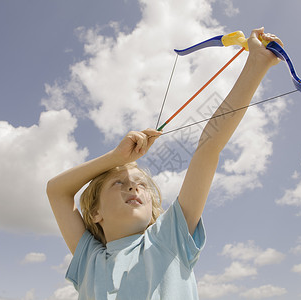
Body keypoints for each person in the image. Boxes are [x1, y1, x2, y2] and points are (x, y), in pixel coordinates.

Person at [46, 27, 283, 300]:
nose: (134, 188)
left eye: (141, 185)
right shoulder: (89, 257)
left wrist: (257, 64)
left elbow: (209, 148)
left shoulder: (168, 237)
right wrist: (117, 158)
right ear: (96, 213)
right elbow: (56, 191)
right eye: (119, 183)